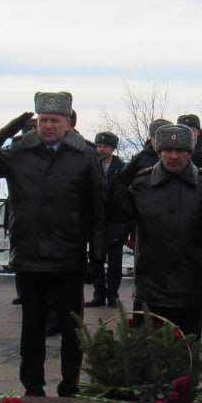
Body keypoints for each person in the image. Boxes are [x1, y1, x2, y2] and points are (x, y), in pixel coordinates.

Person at [0, 91, 106, 398]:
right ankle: (32, 385)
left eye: (55, 120)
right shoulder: (19, 151)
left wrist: (97, 257)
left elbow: (98, 209)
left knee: (72, 329)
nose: (48, 126)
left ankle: (70, 383)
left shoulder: (84, 155)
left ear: (68, 123)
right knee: (32, 328)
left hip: (68, 254)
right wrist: (1, 134)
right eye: (43, 120)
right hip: (28, 253)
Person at [108, 124, 202, 339]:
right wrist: (127, 172)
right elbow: (118, 212)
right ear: (159, 152)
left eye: (180, 150)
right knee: (147, 352)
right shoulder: (143, 184)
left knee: (187, 352)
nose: (173, 156)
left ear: (189, 152)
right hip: (150, 283)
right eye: (168, 150)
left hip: (191, 283)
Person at [86, 130, 127, 308]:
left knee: (115, 262)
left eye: (105, 146)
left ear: (113, 148)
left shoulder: (121, 168)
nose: (101, 149)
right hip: (95, 222)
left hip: (115, 221)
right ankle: (98, 294)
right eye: (99, 145)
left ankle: (113, 294)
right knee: (96, 259)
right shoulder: (90, 165)